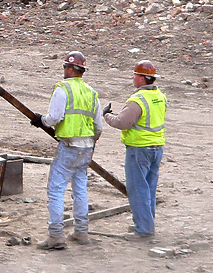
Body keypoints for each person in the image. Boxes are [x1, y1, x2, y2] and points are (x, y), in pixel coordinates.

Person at [31, 51, 103, 250]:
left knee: (56, 190)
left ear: (70, 68)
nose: (63, 70)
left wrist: (41, 120)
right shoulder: (91, 92)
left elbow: (54, 117)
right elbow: (98, 126)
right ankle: (81, 232)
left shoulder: (63, 89)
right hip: (86, 147)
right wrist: (90, 142)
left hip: (69, 146)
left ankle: (56, 236)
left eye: (65, 66)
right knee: (80, 189)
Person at [103, 59, 167, 238]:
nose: (133, 77)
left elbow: (122, 122)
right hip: (157, 147)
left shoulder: (137, 100)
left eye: (135, 75)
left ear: (141, 78)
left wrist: (107, 115)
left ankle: (144, 229)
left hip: (139, 149)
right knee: (149, 188)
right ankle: (146, 224)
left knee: (138, 189)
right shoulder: (160, 96)